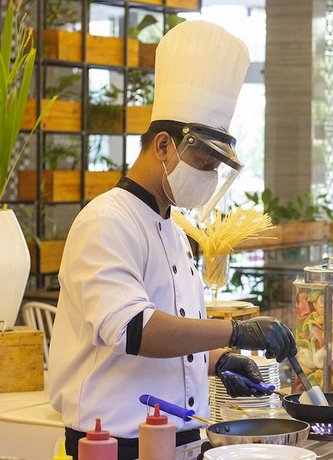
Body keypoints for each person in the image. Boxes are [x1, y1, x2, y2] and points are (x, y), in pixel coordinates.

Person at [47, 21, 296, 459]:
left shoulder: (174, 230)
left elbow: (175, 324)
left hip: (182, 441)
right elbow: (135, 329)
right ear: (163, 145)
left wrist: (218, 358)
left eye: (215, 168)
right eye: (203, 162)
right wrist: (236, 330)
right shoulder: (107, 220)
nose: (208, 177)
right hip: (116, 446)